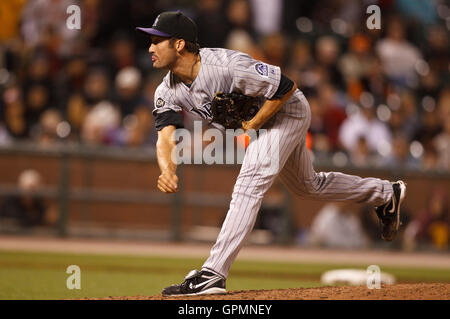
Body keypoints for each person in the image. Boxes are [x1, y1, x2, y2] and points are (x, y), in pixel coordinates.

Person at [136, 11, 407, 296]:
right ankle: (386, 193)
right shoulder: (167, 89)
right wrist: (167, 169)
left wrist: (252, 124)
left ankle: (213, 273)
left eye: (157, 41)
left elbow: (286, 87)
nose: (150, 48)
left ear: (179, 44)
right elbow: (165, 136)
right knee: (307, 185)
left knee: (248, 184)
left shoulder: (226, 66)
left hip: (288, 112)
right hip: (263, 124)